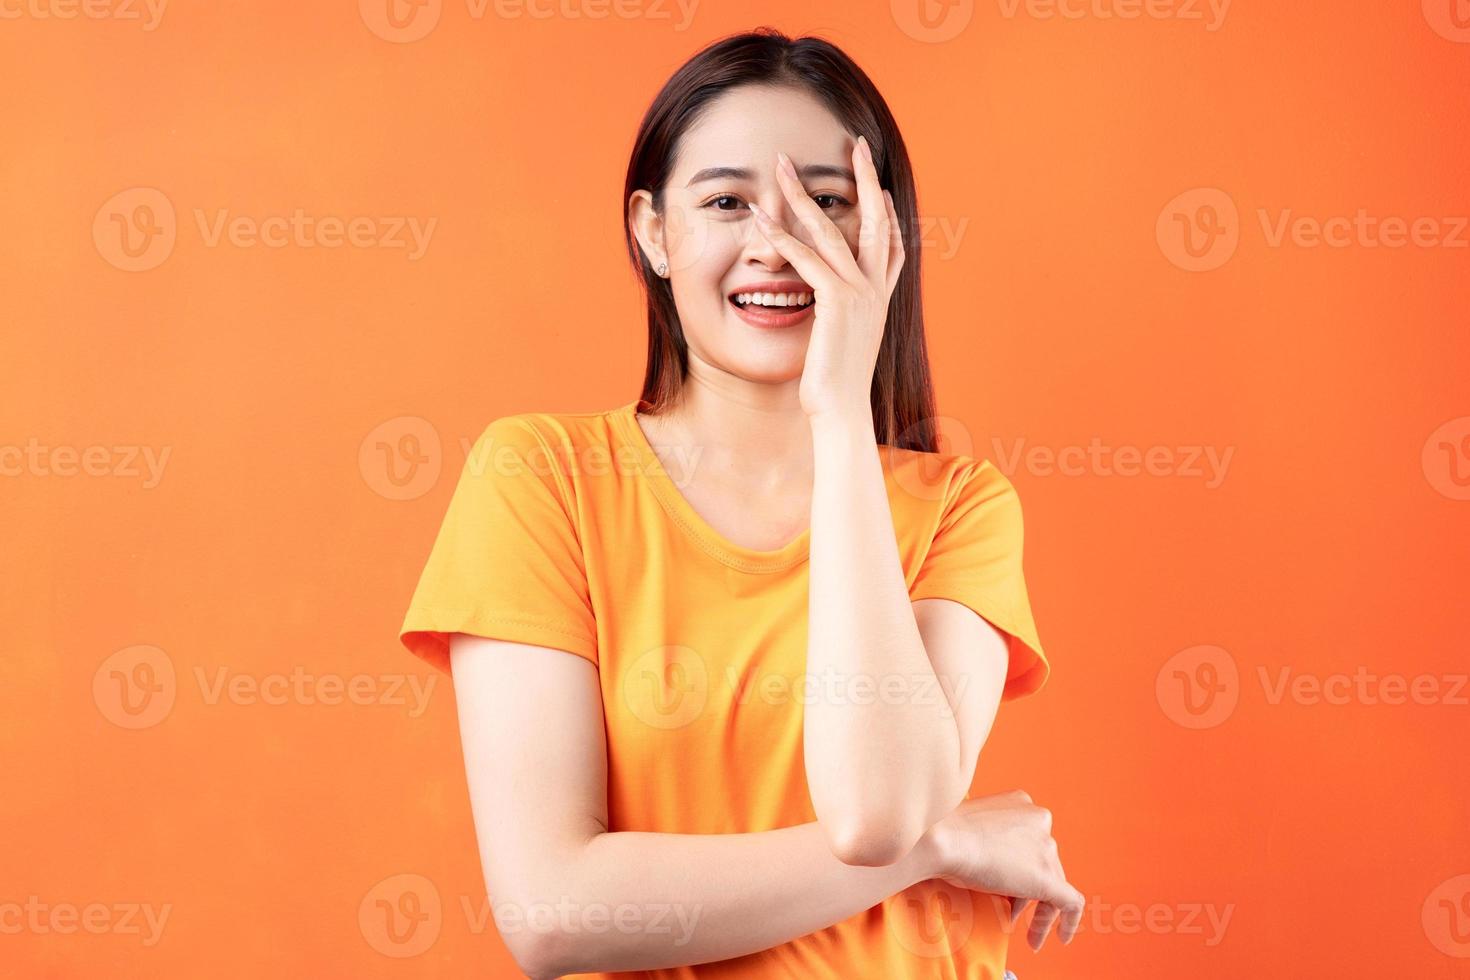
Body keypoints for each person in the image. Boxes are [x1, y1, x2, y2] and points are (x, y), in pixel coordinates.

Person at [399, 27, 1083, 979]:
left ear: (882, 234)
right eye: (726, 201)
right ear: (652, 232)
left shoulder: (958, 505)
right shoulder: (539, 477)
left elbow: (877, 811)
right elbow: (555, 913)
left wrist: (840, 417)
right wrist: (945, 844)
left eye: (825, 201)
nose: (777, 243)